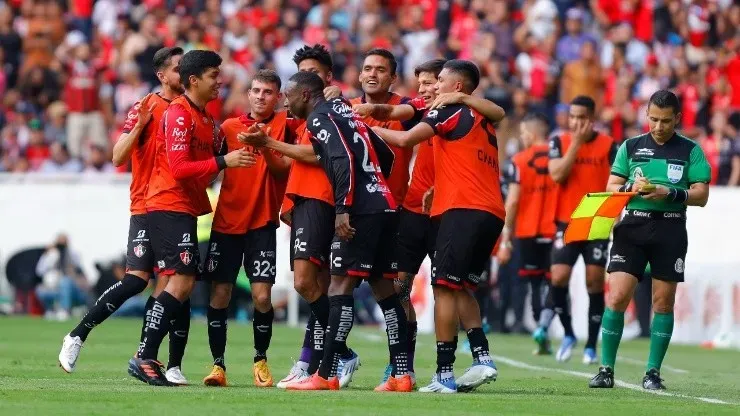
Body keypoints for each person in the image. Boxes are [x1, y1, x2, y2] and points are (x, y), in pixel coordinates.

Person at [353, 58, 505, 385]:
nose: (428, 88)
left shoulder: (447, 109)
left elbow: (405, 138)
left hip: (459, 209)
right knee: (458, 285)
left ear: (452, 85)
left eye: (436, 82)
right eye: (422, 83)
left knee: (444, 287)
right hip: (487, 210)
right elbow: (399, 113)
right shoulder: (480, 116)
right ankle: (481, 357)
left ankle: (443, 373)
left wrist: (360, 130)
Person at [57, 47, 192, 385]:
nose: (184, 73)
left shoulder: (190, 108)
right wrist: (140, 127)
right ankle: (77, 335)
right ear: (162, 75)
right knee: (136, 280)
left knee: (174, 285)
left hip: (176, 206)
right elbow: (118, 156)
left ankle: (158, 361)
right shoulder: (145, 106)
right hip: (146, 205)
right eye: (178, 68)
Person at [273, 71, 412, 392]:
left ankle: (326, 374)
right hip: (384, 203)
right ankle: (401, 375)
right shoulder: (347, 113)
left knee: (339, 287)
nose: (285, 100)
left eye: (288, 95)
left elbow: (343, 159)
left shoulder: (320, 119)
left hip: (359, 209)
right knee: (385, 292)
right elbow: (386, 153)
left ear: (305, 95)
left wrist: (343, 208)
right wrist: (375, 186)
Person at [127, 49, 256, 386]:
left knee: (175, 283)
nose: (220, 81)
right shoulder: (179, 114)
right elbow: (181, 169)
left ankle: (148, 356)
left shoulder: (205, 119)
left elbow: (202, 174)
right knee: (180, 281)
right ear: (194, 80)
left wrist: (219, 158)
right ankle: (144, 356)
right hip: (167, 203)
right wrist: (225, 160)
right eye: (214, 75)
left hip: (183, 207)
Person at [245, 44, 359, 390]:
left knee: (307, 283)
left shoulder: (335, 108)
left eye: (312, 72)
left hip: (322, 199)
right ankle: (315, 360)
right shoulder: (305, 115)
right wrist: (264, 145)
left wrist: (271, 143)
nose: (304, 80)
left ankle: (332, 354)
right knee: (315, 286)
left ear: (326, 77)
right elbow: (284, 166)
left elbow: (315, 154)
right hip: (303, 201)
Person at [590, 90, 711, 390]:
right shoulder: (630, 147)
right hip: (632, 226)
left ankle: (652, 373)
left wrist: (668, 192)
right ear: (646, 115)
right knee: (617, 296)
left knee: (663, 302)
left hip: (670, 228)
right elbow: (612, 186)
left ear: (678, 119)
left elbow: (702, 195)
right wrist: (633, 186)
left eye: (666, 121)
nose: (658, 126)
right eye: (653, 119)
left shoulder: (690, 150)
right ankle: (606, 370)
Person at [201, 69, 292, 388]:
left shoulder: (285, 126)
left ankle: (260, 360)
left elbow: (283, 170)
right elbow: (210, 166)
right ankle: (217, 365)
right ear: (248, 94)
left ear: (278, 97)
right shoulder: (228, 127)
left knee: (262, 296)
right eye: (255, 90)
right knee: (220, 294)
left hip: (263, 223)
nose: (260, 96)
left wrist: (264, 143)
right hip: (226, 223)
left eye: (268, 92)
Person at [536, 95, 616, 364]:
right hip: (567, 221)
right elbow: (557, 174)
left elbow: (616, 183)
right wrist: (577, 145)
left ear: (592, 119)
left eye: (581, 117)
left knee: (594, 281)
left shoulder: (609, 146)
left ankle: (591, 345)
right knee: (558, 277)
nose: (576, 122)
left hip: (596, 220)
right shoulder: (559, 142)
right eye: (572, 117)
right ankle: (569, 333)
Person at [497, 112, 557, 354]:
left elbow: (512, 202)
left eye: (523, 134)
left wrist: (506, 236)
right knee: (555, 283)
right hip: (556, 230)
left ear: (531, 134)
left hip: (527, 230)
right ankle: (545, 325)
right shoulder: (561, 159)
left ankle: (539, 329)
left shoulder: (519, 160)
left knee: (534, 284)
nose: (521, 138)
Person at [36, 234, 89, 321]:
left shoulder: (73, 254)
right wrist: (48, 255)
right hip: (54, 286)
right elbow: (39, 271)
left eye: (63, 243)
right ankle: (51, 310)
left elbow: (79, 271)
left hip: (72, 287)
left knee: (65, 281)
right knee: (40, 290)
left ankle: (65, 310)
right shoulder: (51, 254)